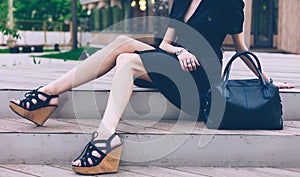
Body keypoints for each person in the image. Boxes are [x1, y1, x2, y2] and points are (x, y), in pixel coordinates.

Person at [9, 0, 294, 175]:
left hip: (202, 77)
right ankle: (54, 95)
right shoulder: (181, 1)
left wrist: (265, 81)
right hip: (176, 63)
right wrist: (179, 53)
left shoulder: (230, 2)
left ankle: (67, 110)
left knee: (127, 61)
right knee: (122, 45)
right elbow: (165, 45)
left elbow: (242, 49)